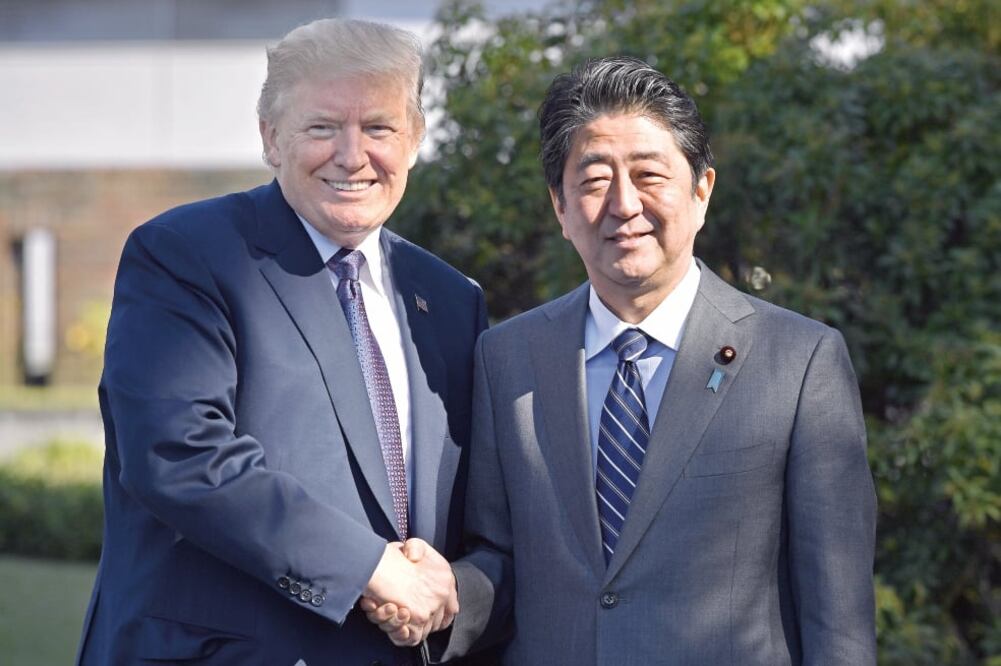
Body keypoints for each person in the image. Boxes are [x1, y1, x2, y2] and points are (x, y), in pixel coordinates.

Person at [371, 56, 878, 664]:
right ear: (560, 207)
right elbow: (500, 557)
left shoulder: (798, 363)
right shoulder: (508, 358)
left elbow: (837, 619)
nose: (624, 203)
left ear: (701, 191)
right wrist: (447, 592)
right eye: (594, 180)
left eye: (649, 175)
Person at [76, 18, 486, 666]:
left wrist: (452, 588)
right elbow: (178, 453)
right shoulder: (186, 255)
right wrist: (367, 567)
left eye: (379, 128)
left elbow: (482, 507)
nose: (352, 155)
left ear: (413, 140)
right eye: (322, 128)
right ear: (270, 137)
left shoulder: (451, 299)